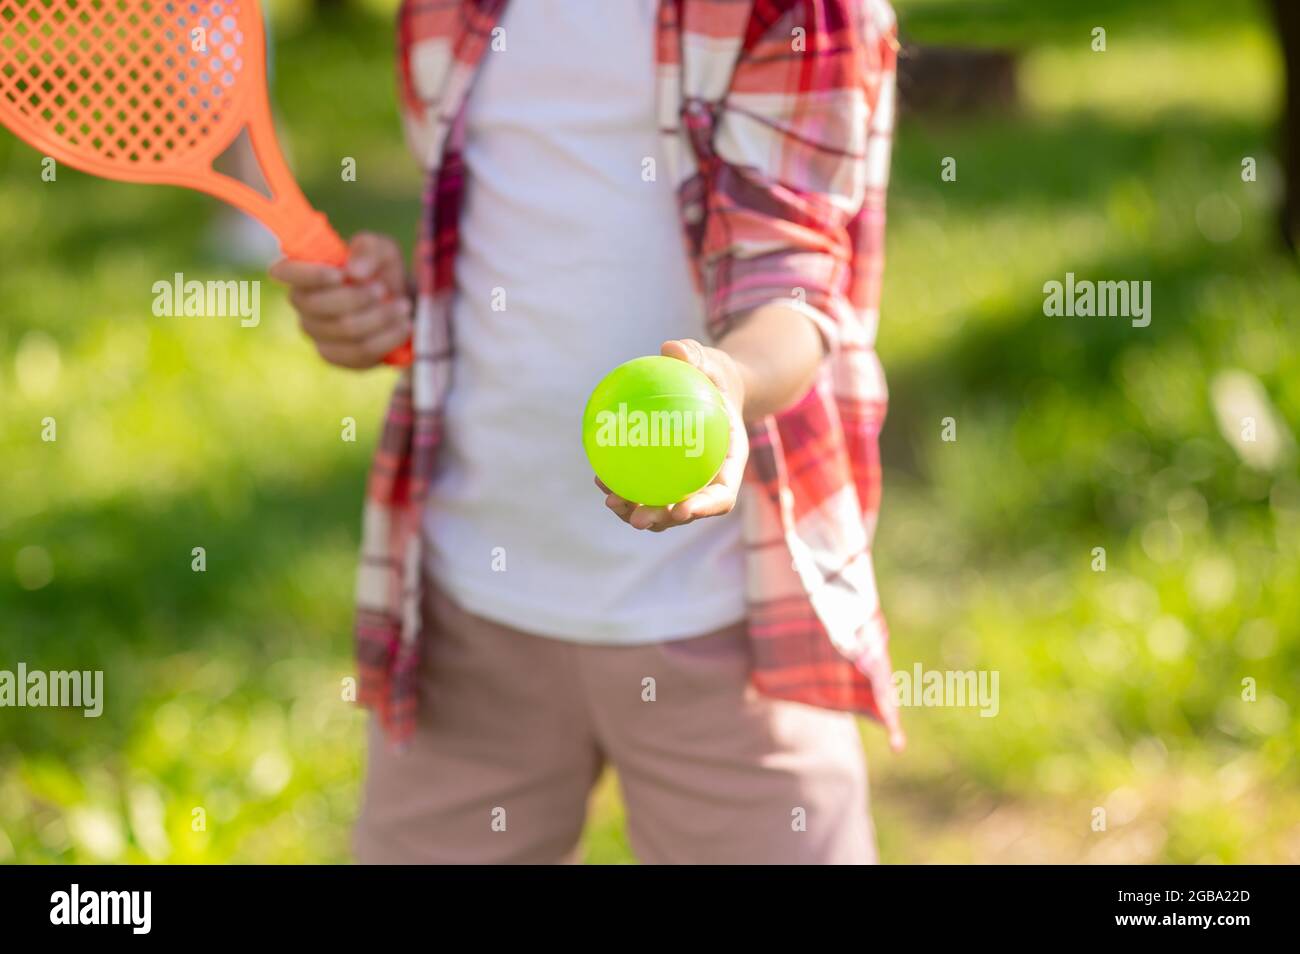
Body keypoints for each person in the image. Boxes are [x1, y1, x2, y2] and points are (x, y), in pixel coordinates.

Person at [270, 0, 901, 864]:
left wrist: (726, 386)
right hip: (469, 606)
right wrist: (395, 312)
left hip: (722, 618)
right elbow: (508, 255)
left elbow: (792, 287)